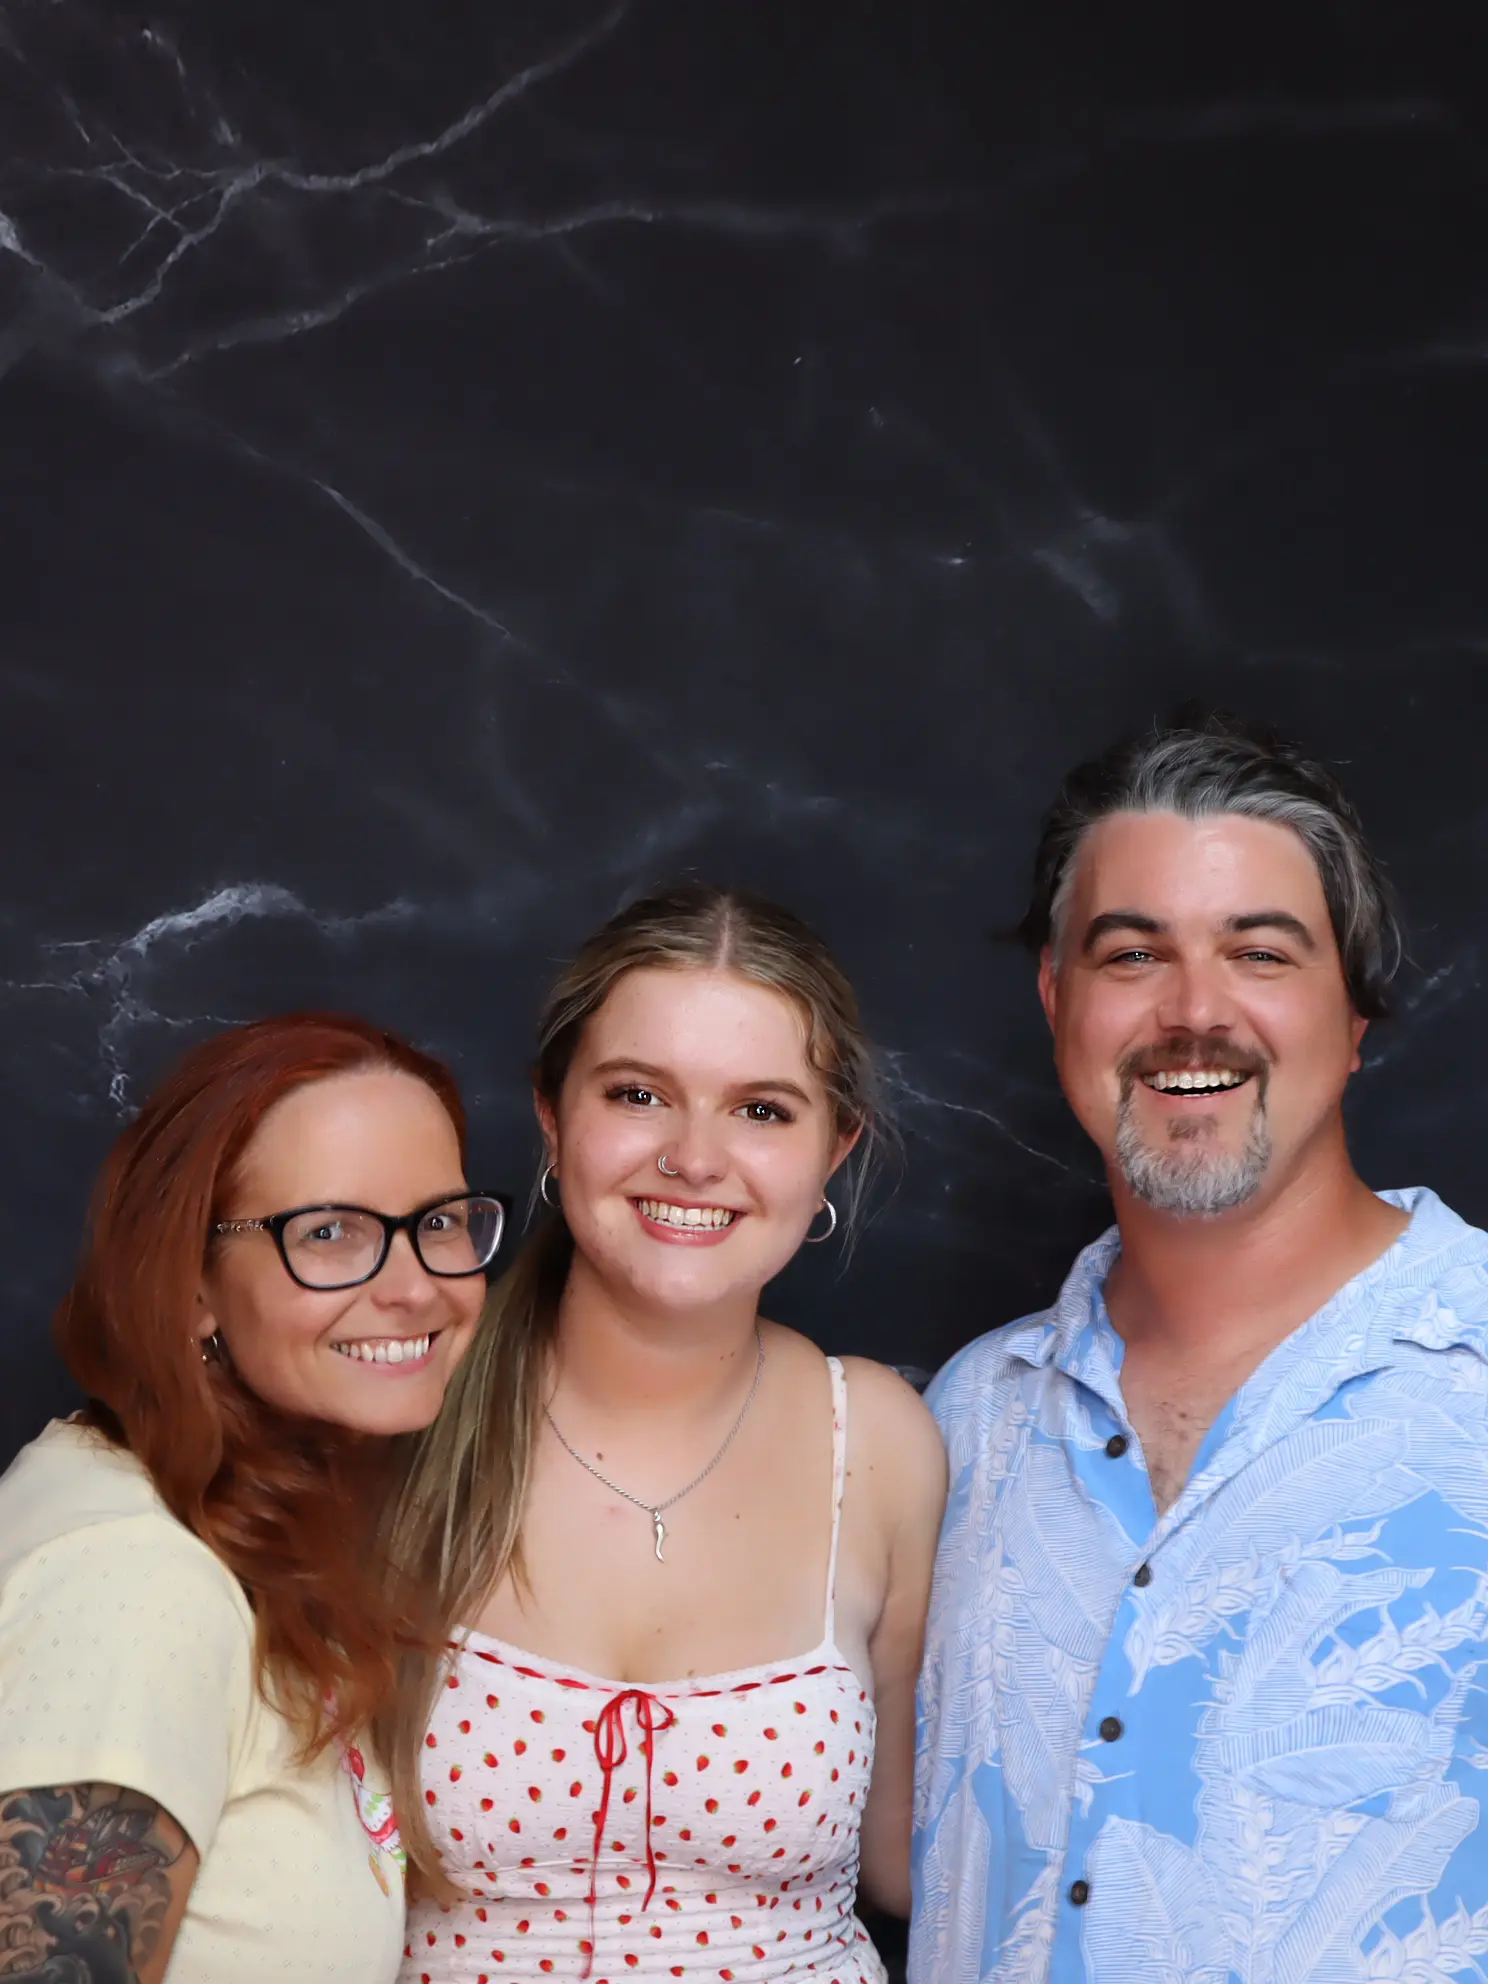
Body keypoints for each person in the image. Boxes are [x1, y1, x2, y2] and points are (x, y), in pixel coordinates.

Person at [912, 714, 1488, 1983]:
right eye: (1132, 953)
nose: (1193, 1010)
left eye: (1260, 952)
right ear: (1059, 1002)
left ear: (1357, 1018)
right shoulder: (964, 1422)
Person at [385, 884, 947, 1984]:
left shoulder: (876, 1439)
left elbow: (910, 1864)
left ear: (835, 1150)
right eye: (640, 1093)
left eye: (762, 1109)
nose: (696, 1158)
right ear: (553, 1113)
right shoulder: (408, 1400)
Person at [0, 1013, 508, 1984]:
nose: (415, 1288)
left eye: (438, 1222)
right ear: (191, 1284)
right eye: (330, 1232)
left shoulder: (236, 1510)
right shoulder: (135, 1582)